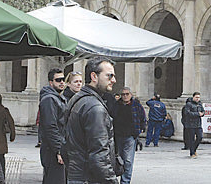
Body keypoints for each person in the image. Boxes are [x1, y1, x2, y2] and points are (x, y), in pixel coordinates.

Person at [65, 56, 120, 184]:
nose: (114, 80)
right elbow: (99, 155)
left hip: (77, 175)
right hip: (89, 178)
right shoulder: (95, 108)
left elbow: (65, 144)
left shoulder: (78, 98)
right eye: (109, 76)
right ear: (94, 76)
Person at [113, 87, 146, 184]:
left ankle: (125, 181)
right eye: (123, 94)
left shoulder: (136, 105)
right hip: (118, 135)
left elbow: (142, 117)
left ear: (131, 95)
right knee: (118, 159)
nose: (125, 96)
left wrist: (140, 130)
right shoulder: (117, 105)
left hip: (130, 136)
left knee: (128, 160)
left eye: (127, 94)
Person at [40, 67, 67, 184]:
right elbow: (50, 126)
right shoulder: (49, 99)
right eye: (58, 80)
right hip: (52, 150)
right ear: (51, 83)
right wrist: (59, 150)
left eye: (63, 79)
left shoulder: (58, 98)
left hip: (57, 148)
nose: (62, 82)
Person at [182, 92, 205, 158]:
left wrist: (202, 114)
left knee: (200, 137)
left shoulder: (200, 104)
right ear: (193, 97)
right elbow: (187, 113)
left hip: (198, 124)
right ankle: (192, 153)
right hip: (191, 124)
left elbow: (203, 111)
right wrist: (197, 114)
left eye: (199, 97)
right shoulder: (189, 104)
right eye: (196, 97)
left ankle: (194, 149)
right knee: (191, 139)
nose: (198, 99)